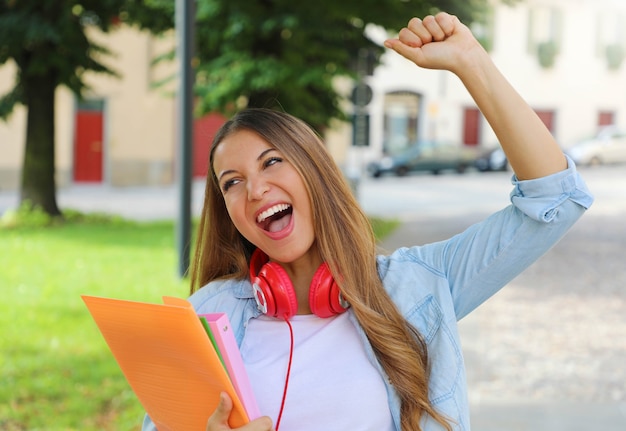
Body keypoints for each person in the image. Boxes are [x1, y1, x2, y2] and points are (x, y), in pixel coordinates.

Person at [143, 11, 593, 431]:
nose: (255, 189)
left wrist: (470, 62)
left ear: (315, 171)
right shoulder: (205, 314)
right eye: (232, 183)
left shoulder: (421, 285)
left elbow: (555, 198)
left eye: (272, 162)